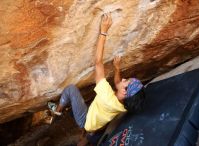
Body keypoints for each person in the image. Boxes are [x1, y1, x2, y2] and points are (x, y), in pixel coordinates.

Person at [48, 13, 146, 146]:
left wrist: (103, 31)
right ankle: (87, 133)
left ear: (124, 93)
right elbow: (118, 84)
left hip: (86, 120)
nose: (123, 79)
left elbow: (98, 62)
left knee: (71, 89)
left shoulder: (107, 97)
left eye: (126, 81)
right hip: (96, 122)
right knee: (89, 118)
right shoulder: (124, 105)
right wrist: (116, 68)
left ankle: (57, 110)